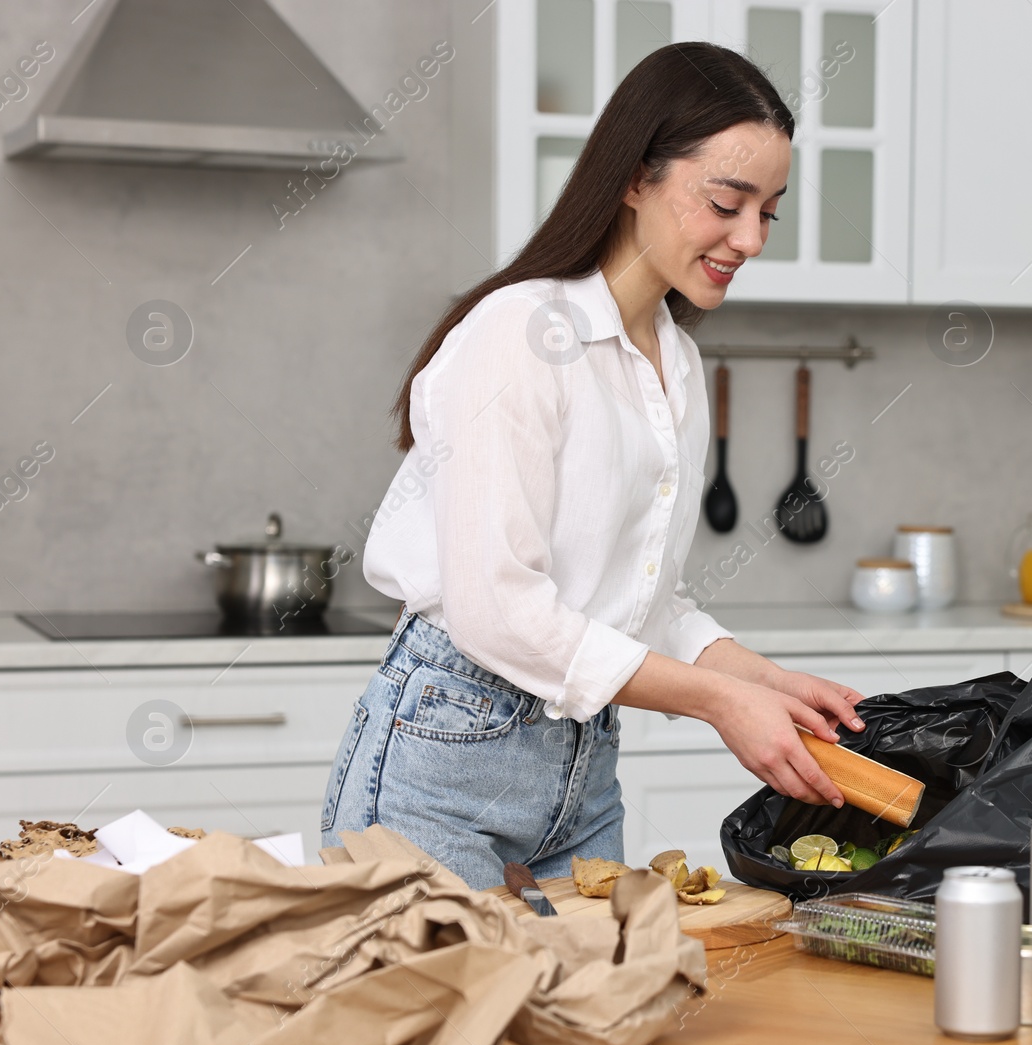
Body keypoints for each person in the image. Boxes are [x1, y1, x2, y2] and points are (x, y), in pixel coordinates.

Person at [321, 42, 866, 888]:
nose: (750, 238)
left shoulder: (675, 363)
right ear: (634, 178)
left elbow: (641, 597)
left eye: (770, 212)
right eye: (726, 202)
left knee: (605, 1015)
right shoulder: (519, 334)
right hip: (444, 763)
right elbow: (497, 607)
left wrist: (762, 678)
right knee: (457, 1019)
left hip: (583, 769)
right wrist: (721, 702)